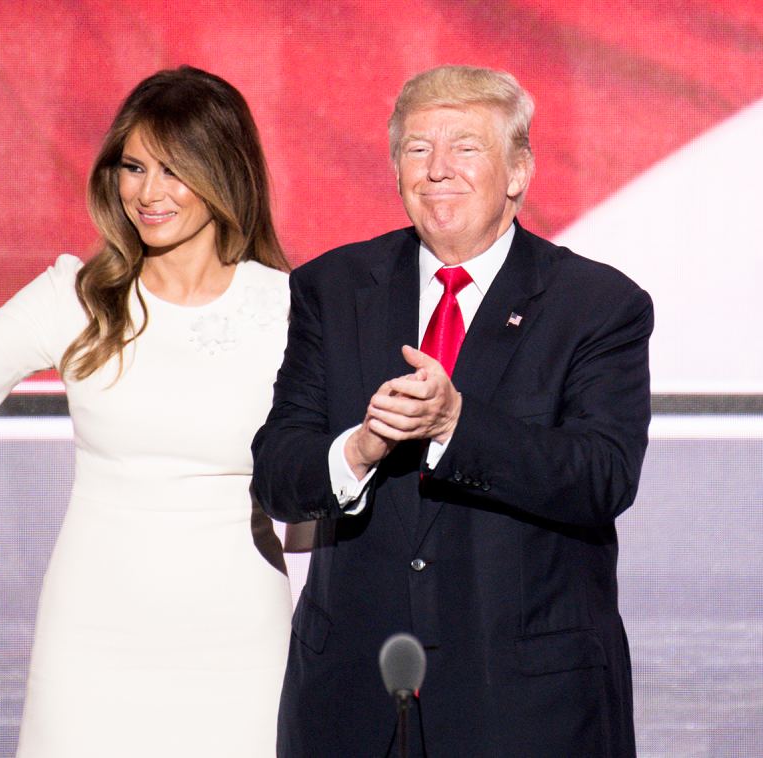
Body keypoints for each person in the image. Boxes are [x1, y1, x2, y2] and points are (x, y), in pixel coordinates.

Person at [0, 67, 293, 757]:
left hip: (239, 637)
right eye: (133, 166)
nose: (147, 192)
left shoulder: (290, 307)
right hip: (93, 633)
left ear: (226, 173)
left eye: (173, 169)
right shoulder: (75, 296)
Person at [251, 65, 652, 757]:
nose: (438, 170)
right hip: (356, 695)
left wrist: (455, 425)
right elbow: (277, 473)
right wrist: (358, 450)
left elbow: (602, 477)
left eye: (465, 147)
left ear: (518, 170)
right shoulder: (331, 286)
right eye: (417, 149)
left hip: (529, 705)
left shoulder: (598, 305)